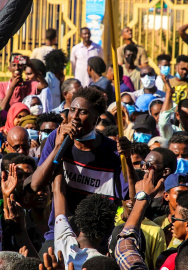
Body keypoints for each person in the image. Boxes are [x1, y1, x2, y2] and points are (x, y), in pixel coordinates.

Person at [30, 87, 129, 245]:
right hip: (59, 235)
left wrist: (128, 160)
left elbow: (130, 195)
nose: (74, 117)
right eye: (72, 110)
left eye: (82, 112)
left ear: (96, 119)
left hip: (97, 240)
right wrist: (58, 147)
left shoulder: (113, 151)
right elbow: (36, 184)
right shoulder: (57, 137)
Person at [53, 169, 116, 270]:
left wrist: (59, 162)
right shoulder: (103, 263)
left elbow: (58, 192)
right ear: (107, 230)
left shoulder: (63, 240)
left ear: (79, 222)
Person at [116, 195, 166, 269]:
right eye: (127, 197)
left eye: (135, 197)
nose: (130, 202)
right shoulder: (114, 222)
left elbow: (158, 266)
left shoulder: (155, 230)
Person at [153, 173, 188, 248]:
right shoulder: (158, 224)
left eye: (187, 193)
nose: (184, 198)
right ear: (166, 196)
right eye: (179, 193)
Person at [141, 147, 177, 220]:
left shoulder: (171, 199)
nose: (143, 167)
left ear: (165, 172)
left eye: (148, 164)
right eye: (142, 163)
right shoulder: (139, 188)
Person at [23, 176, 51, 252]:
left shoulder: (60, 223)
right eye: (34, 190)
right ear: (25, 199)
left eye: (44, 189)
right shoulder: (23, 227)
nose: (40, 193)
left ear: (51, 194)